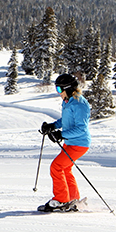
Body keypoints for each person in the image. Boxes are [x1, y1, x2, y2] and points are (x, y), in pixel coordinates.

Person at [38, 74, 91, 212]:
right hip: (71, 142)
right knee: (65, 168)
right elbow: (66, 120)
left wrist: (61, 134)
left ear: (67, 88)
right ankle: (72, 199)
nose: (58, 93)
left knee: (56, 167)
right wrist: (53, 126)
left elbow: (81, 128)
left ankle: (61, 200)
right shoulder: (68, 101)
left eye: (59, 89)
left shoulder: (80, 104)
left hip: (79, 144)